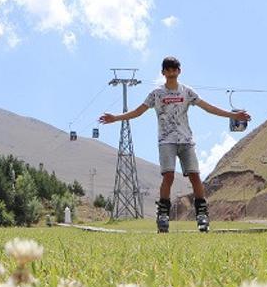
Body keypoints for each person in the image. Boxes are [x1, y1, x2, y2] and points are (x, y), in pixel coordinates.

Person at [99, 57, 250, 233]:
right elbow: (138, 111)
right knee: (168, 176)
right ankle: (163, 215)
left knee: (195, 176)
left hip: (186, 141)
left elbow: (208, 107)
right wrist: (116, 118)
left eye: (174, 69)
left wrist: (232, 115)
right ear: (163, 72)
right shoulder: (156, 94)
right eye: (168, 69)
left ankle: (202, 215)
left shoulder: (187, 92)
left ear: (179, 71)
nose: (171, 72)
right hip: (166, 141)